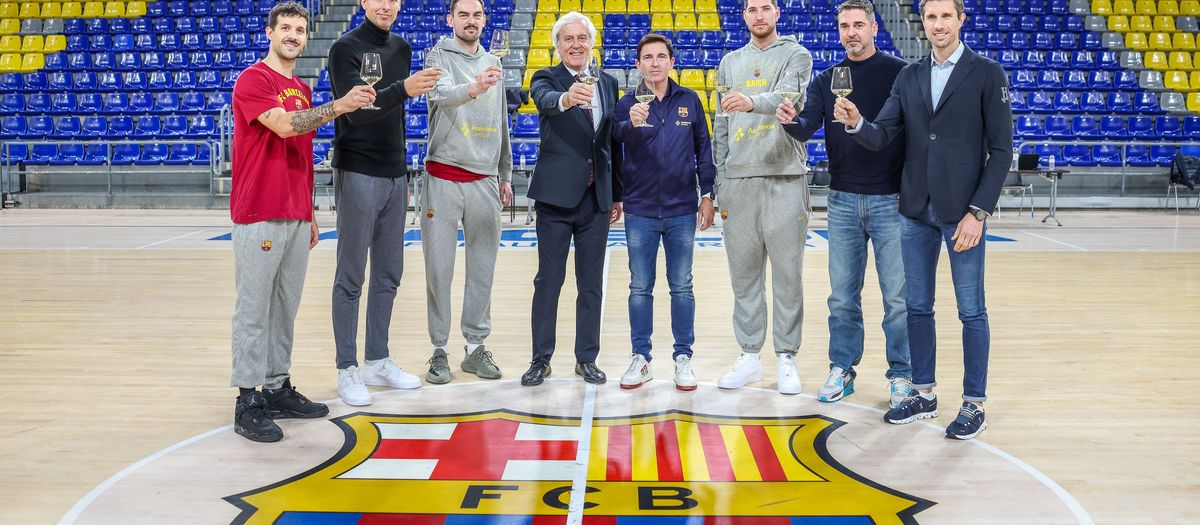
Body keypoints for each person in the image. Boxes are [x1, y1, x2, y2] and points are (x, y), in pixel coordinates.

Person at [836, 0, 1013, 439]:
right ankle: (924, 392)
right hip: (914, 210)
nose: (937, 24)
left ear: (960, 20)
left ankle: (974, 403)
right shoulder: (910, 75)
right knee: (917, 307)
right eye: (931, 17)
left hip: (963, 214)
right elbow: (883, 134)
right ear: (924, 22)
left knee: (971, 311)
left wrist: (979, 212)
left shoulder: (987, 73)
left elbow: (1002, 151)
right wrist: (859, 123)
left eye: (945, 16)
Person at [229, 1, 376, 442]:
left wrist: (309, 211)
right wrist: (342, 105)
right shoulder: (254, 79)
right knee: (253, 309)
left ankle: (276, 386)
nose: (293, 35)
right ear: (269, 33)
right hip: (259, 209)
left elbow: (300, 155)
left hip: (294, 212)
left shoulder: (302, 88)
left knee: (284, 308)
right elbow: (286, 127)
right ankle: (246, 399)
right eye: (286, 28)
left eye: (300, 29)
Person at [775, 0, 912, 407]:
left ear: (873, 27)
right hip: (843, 199)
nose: (850, 32)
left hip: (891, 199)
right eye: (844, 26)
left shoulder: (899, 74)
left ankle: (901, 375)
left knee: (898, 298)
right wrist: (788, 120)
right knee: (842, 297)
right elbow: (806, 127)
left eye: (858, 24)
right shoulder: (827, 78)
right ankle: (842, 368)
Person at [326, 0, 440, 406]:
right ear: (363, 2)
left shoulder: (403, 48)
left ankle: (376, 358)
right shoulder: (344, 48)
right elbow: (355, 113)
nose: (385, 5)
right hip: (357, 170)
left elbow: (391, 111)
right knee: (351, 275)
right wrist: (403, 89)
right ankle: (347, 367)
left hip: (396, 172)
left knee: (389, 272)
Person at [711, 0, 813, 395]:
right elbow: (721, 123)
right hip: (738, 180)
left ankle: (786, 356)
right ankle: (750, 355)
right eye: (752, 9)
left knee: (788, 274)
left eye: (766, 8)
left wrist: (752, 101)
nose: (759, 15)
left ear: (778, 14)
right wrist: (720, 177)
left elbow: (789, 100)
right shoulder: (729, 62)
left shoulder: (796, 55)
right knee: (744, 275)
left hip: (784, 176)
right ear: (744, 15)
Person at [520, 11, 623, 387]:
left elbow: (610, 143)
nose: (576, 44)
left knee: (591, 283)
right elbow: (546, 100)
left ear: (591, 43)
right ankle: (540, 359)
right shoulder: (546, 77)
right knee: (549, 281)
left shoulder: (610, 83)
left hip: (596, 198)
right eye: (568, 39)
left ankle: (586, 358)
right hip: (556, 198)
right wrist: (566, 98)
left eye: (582, 38)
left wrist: (616, 195)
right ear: (558, 45)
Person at [612, 34, 715, 391]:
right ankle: (641, 358)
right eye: (647, 58)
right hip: (639, 209)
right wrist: (633, 124)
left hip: (682, 208)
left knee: (682, 286)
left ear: (672, 61)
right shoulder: (627, 102)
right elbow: (618, 138)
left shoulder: (689, 100)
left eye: (661, 56)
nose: (654, 63)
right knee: (640, 287)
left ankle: (683, 357)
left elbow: (703, 149)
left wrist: (709, 194)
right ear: (638, 64)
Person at [420, 0, 513, 384]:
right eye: (464, 15)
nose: (471, 21)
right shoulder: (437, 54)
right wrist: (473, 87)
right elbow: (438, 95)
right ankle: (439, 350)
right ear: (451, 19)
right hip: (443, 176)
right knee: (439, 269)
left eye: (477, 15)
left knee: (482, 269)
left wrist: (504, 172)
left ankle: (475, 348)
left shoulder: (496, 60)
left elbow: (501, 119)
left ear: (484, 20)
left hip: (485, 179)